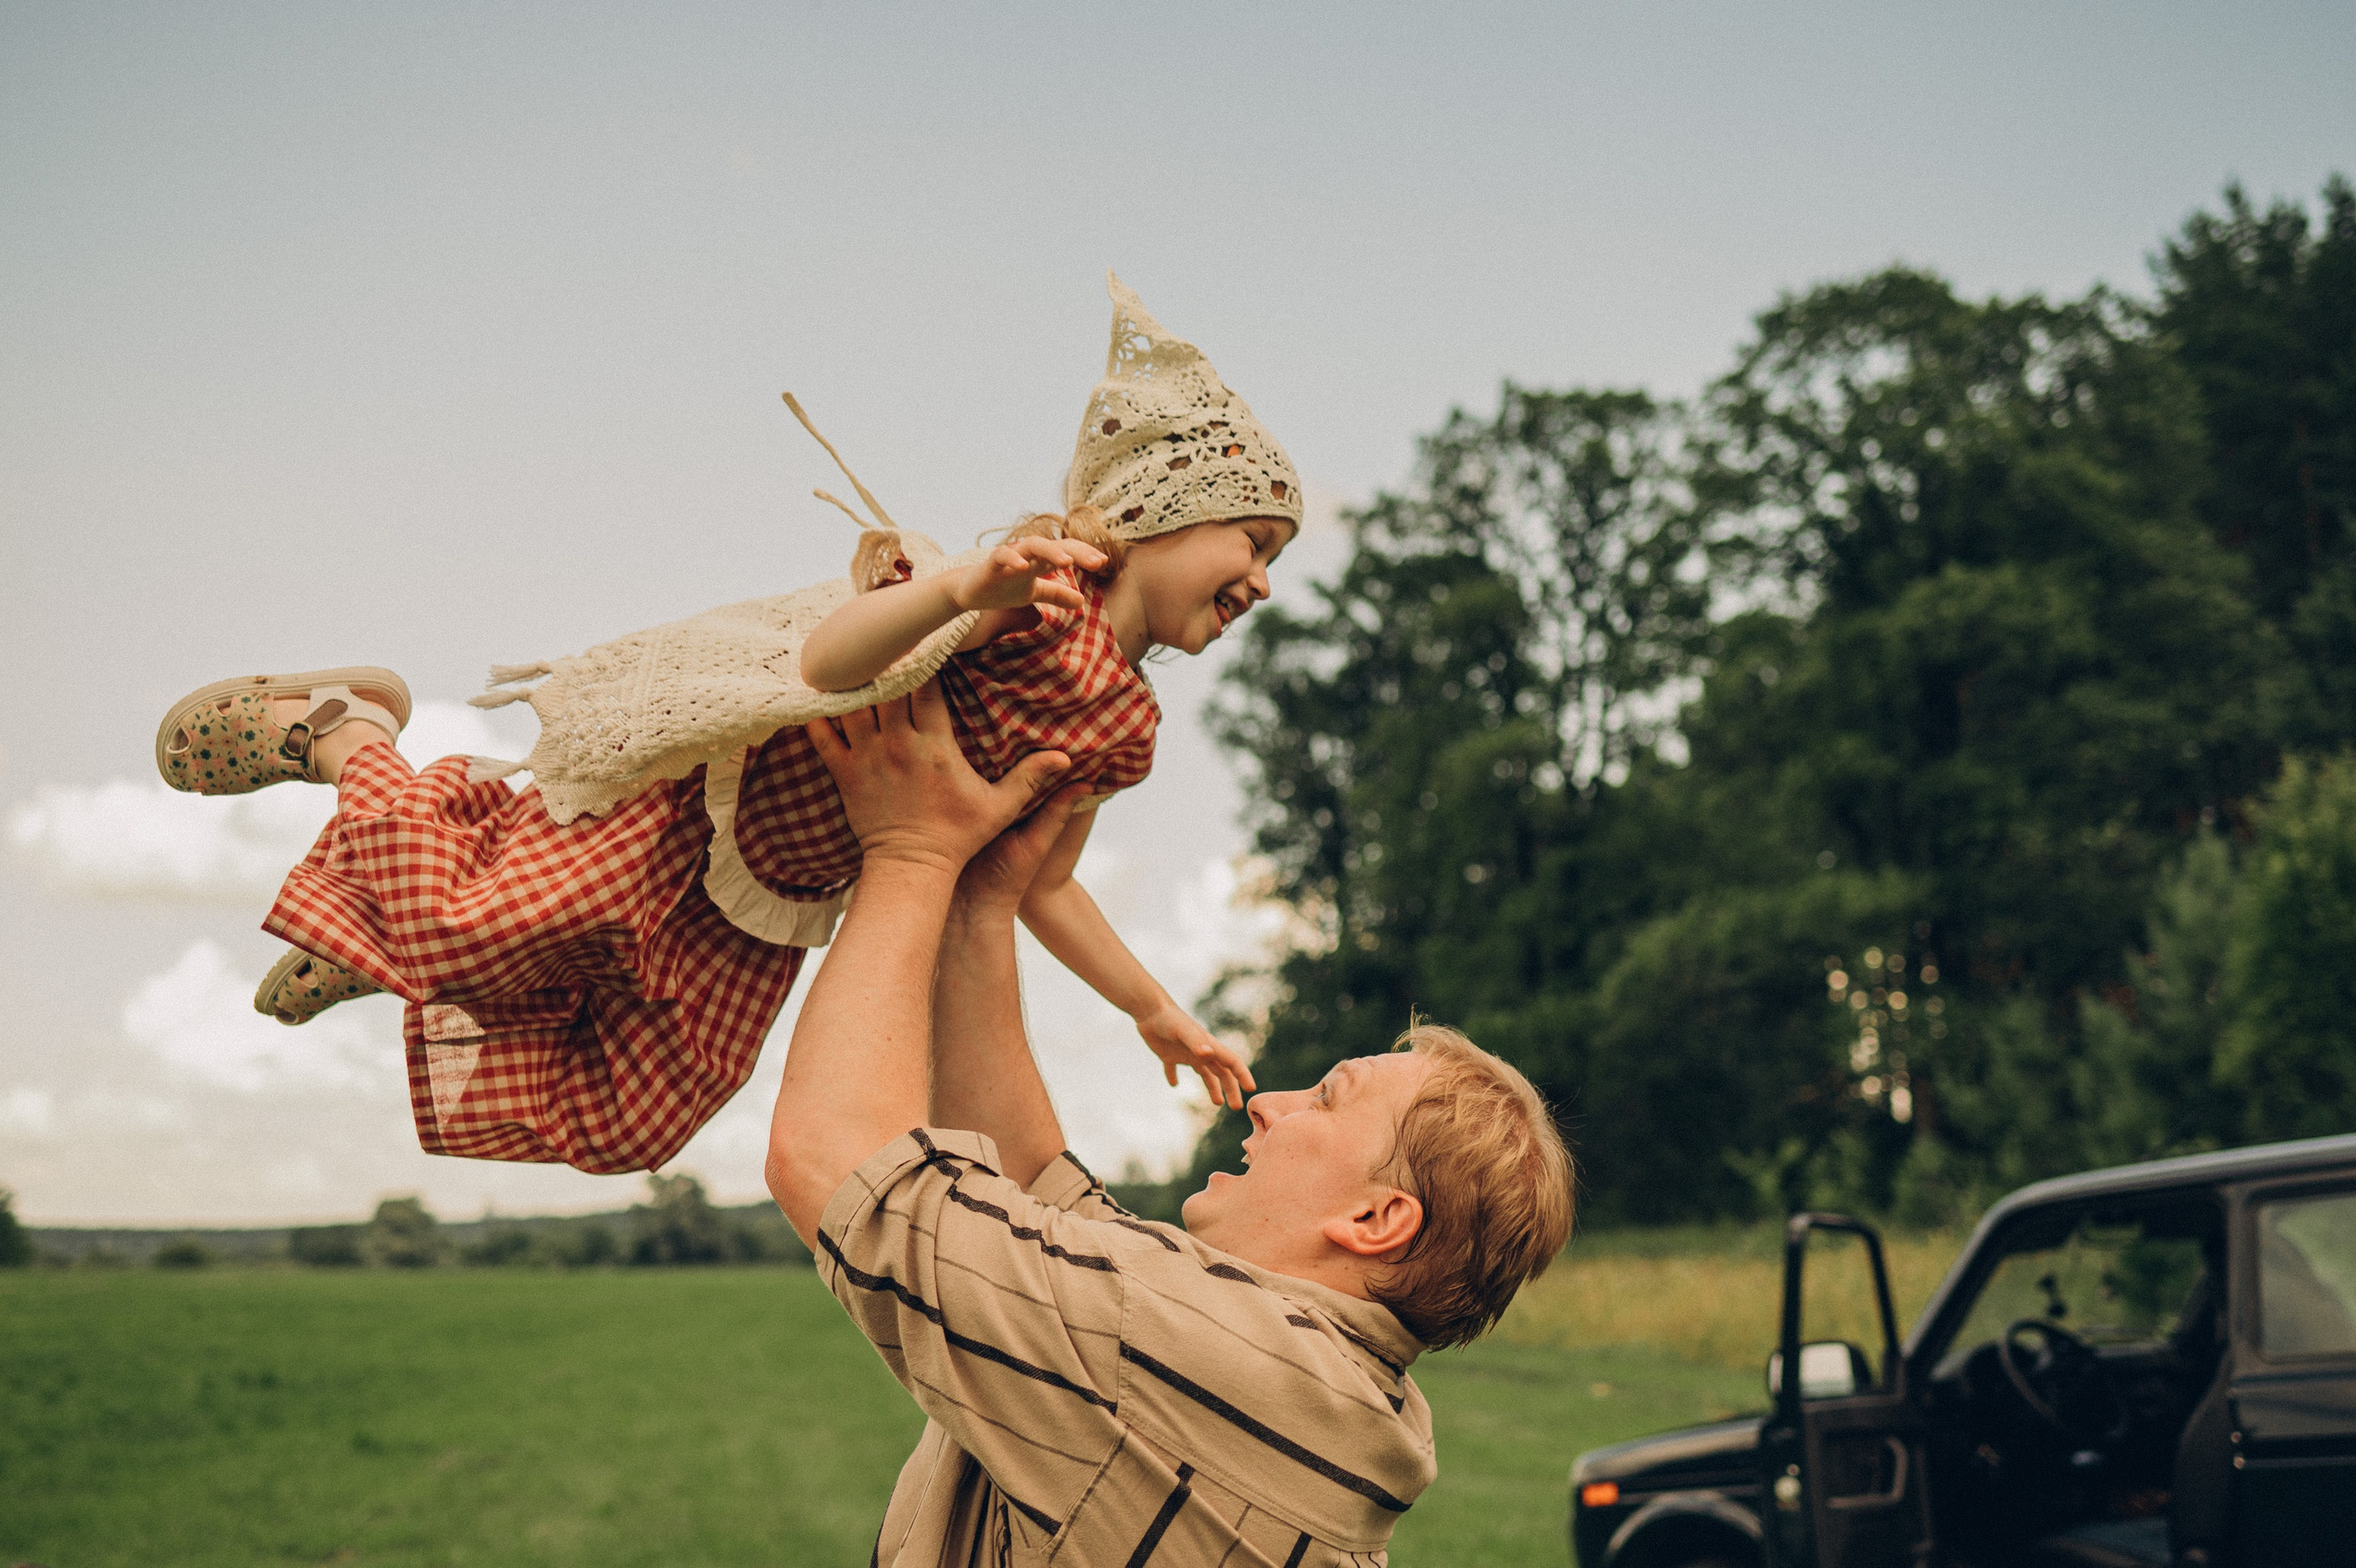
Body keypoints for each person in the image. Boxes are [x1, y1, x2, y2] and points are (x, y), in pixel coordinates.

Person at [149, 275, 1291, 1173]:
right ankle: (345, 735)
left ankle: (378, 927)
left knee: (634, 1122)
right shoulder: (1023, 594)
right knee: (463, 926)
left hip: (770, 910)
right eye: (1255, 543)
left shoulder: (1119, 732)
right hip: (697, 820)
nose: (1264, 585)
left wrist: (1157, 1011)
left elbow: (1041, 885)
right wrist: (954, 594)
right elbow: (821, 667)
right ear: (1160, 514)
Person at [774, 683, 1575, 1565]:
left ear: (1377, 1220)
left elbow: (839, 1163)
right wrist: (979, 908)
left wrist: (913, 852)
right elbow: (1033, 1185)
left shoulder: (1208, 1363)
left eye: (1327, 1098)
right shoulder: (1308, 1388)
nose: (1270, 1103)